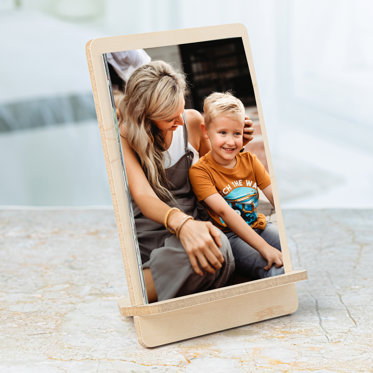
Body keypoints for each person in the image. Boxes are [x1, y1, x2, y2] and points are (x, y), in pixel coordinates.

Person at [117, 61, 254, 302]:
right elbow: (144, 196)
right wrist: (182, 225)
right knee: (215, 247)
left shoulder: (190, 121)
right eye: (169, 119)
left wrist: (235, 145)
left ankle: (174, 285)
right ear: (145, 119)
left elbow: (216, 171)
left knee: (217, 245)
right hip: (154, 232)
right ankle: (134, 294)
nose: (179, 121)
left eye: (180, 110)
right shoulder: (125, 138)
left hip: (196, 224)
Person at [189, 92, 284, 280]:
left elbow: (274, 195)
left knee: (294, 248)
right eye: (222, 133)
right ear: (206, 131)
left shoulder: (249, 160)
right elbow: (225, 213)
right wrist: (265, 248)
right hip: (229, 238)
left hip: (258, 225)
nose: (231, 142)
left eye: (237, 133)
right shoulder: (200, 171)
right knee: (273, 266)